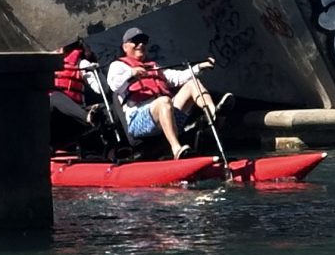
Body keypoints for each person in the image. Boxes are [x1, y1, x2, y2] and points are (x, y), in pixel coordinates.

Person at [102, 27, 220, 159]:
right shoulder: (118, 66)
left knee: (193, 83)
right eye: (135, 41)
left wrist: (199, 67)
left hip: (167, 113)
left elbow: (177, 77)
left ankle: (214, 112)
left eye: (143, 41)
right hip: (138, 120)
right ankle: (177, 149)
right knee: (164, 101)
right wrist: (131, 73)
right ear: (125, 47)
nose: (140, 44)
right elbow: (113, 85)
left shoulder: (154, 66)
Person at [49, 41, 94, 150]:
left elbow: (102, 88)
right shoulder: (45, 65)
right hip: (50, 116)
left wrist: (93, 69)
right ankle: (87, 117)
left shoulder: (81, 64)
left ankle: (91, 119)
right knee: (54, 97)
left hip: (72, 117)